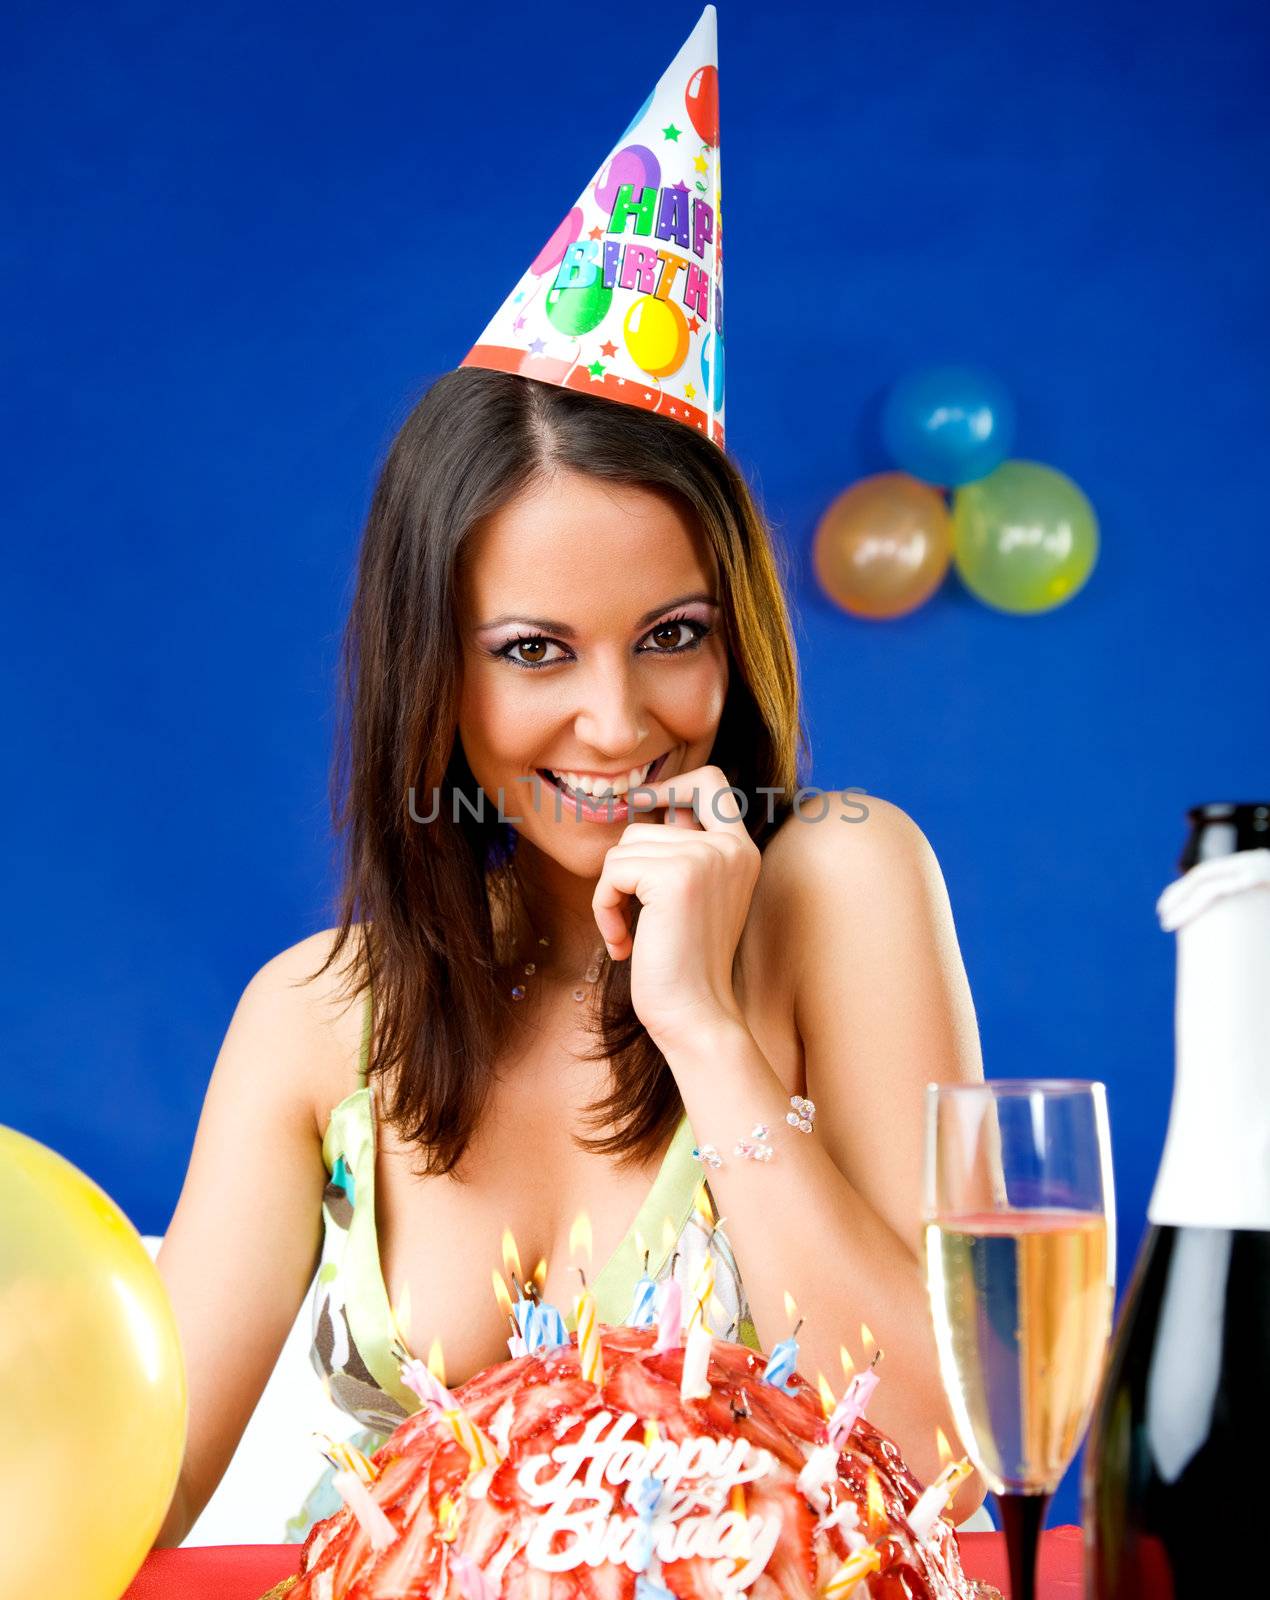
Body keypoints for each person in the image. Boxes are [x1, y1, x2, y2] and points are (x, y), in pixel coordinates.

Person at [152, 5, 988, 1551]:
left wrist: (707, 1034)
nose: (619, 722)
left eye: (672, 635)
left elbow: (959, 1460)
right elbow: (119, 1493)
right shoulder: (309, 1025)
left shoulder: (842, 881)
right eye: (534, 651)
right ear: (434, 675)